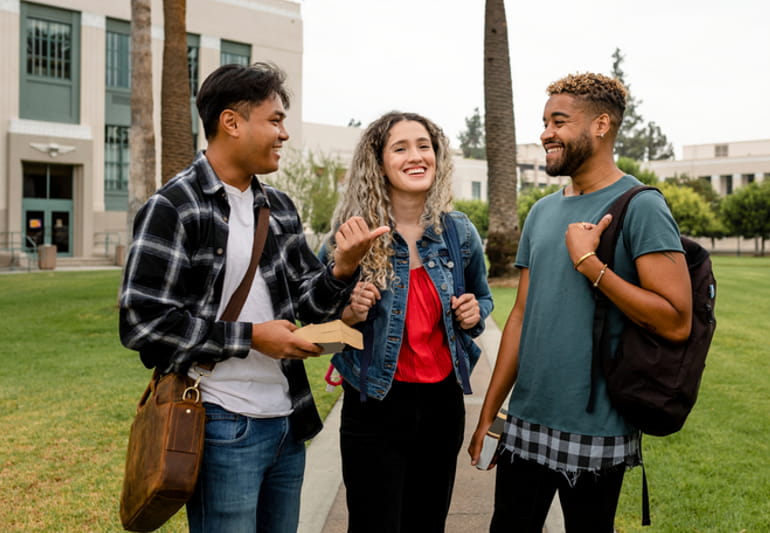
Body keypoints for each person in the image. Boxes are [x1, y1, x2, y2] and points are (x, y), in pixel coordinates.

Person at [118, 62, 388, 533]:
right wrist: (252, 338)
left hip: (287, 420)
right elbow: (143, 323)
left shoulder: (278, 206)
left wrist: (343, 266)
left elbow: (309, 301)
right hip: (221, 421)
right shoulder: (175, 206)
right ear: (232, 122)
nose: (284, 134)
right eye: (275, 120)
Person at [467, 72, 693, 533]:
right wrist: (490, 414)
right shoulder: (542, 212)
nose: (546, 132)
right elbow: (521, 318)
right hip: (526, 422)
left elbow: (676, 321)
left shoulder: (641, 206)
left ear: (601, 125)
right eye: (544, 121)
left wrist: (591, 264)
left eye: (559, 121)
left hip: (598, 428)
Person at [320, 111, 494, 533]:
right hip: (374, 406)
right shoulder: (351, 237)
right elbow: (316, 329)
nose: (416, 156)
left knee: (427, 523)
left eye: (424, 146)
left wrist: (475, 313)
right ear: (378, 162)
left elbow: (483, 299)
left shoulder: (459, 232)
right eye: (400, 148)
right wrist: (349, 313)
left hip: (442, 407)